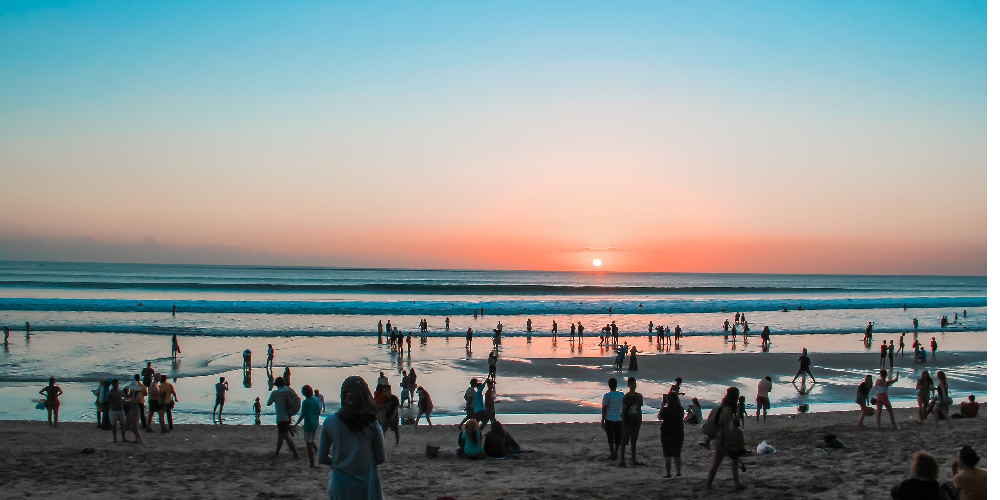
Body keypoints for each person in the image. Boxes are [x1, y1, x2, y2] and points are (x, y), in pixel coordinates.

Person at [317, 376, 385, 500]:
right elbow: (380, 458)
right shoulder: (373, 424)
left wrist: (340, 461)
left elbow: (322, 457)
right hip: (367, 483)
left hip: (339, 483)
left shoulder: (330, 422)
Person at [706, 387, 745, 490]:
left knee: (732, 460)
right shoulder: (727, 409)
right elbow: (726, 427)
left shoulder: (723, 406)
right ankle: (709, 485)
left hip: (720, 437)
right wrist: (728, 442)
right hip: (722, 438)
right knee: (718, 462)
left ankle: (735, 483)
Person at [266, 376, 299, 458]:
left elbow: (268, 403)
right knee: (281, 436)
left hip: (280, 418)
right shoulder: (289, 390)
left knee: (285, 436)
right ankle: (276, 453)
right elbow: (297, 399)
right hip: (288, 416)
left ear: (276, 384)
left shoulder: (275, 393)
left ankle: (295, 454)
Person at [658, 392, 684, 478]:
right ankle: (678, 472)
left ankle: (668, 473)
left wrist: (662, 406)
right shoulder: (680, 409)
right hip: (678, 432)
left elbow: (659, 417)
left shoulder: (666, 410)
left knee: (667, 453)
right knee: (677, 453)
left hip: (666, 432)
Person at [294, 385, 322, 467]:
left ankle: (311, 463)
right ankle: (318, 451)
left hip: (308, 425)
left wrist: (296, 423)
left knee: (308, 444)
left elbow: (303, 414)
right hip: (315, 424)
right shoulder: (316, 401)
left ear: (304, 393)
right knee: (311, 439)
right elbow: (318, 412)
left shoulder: (305, 402)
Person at [619, 377, 643, 467]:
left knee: (634, 441)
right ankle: (622, 461)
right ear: (628, 385)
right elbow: (624, 411)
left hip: (636, 421)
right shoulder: (626, 397)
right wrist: (623, 425)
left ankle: (633, 460)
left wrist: (640, 420)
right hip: (628, 422)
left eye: (634, 384)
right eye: (631, 384)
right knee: (624, 441)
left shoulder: (639, 396)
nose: (633, 386)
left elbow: (639, 409)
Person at [600, 378, 624, 461]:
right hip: (618, 419)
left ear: (609, 385)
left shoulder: (607, 396)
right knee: (618, 437)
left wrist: (602, 420)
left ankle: (613, 453)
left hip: (609, 419)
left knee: (610, 437)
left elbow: (604, 408)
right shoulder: (621, 395)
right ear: (616, 385)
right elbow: (624, 407)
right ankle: (615, 453)